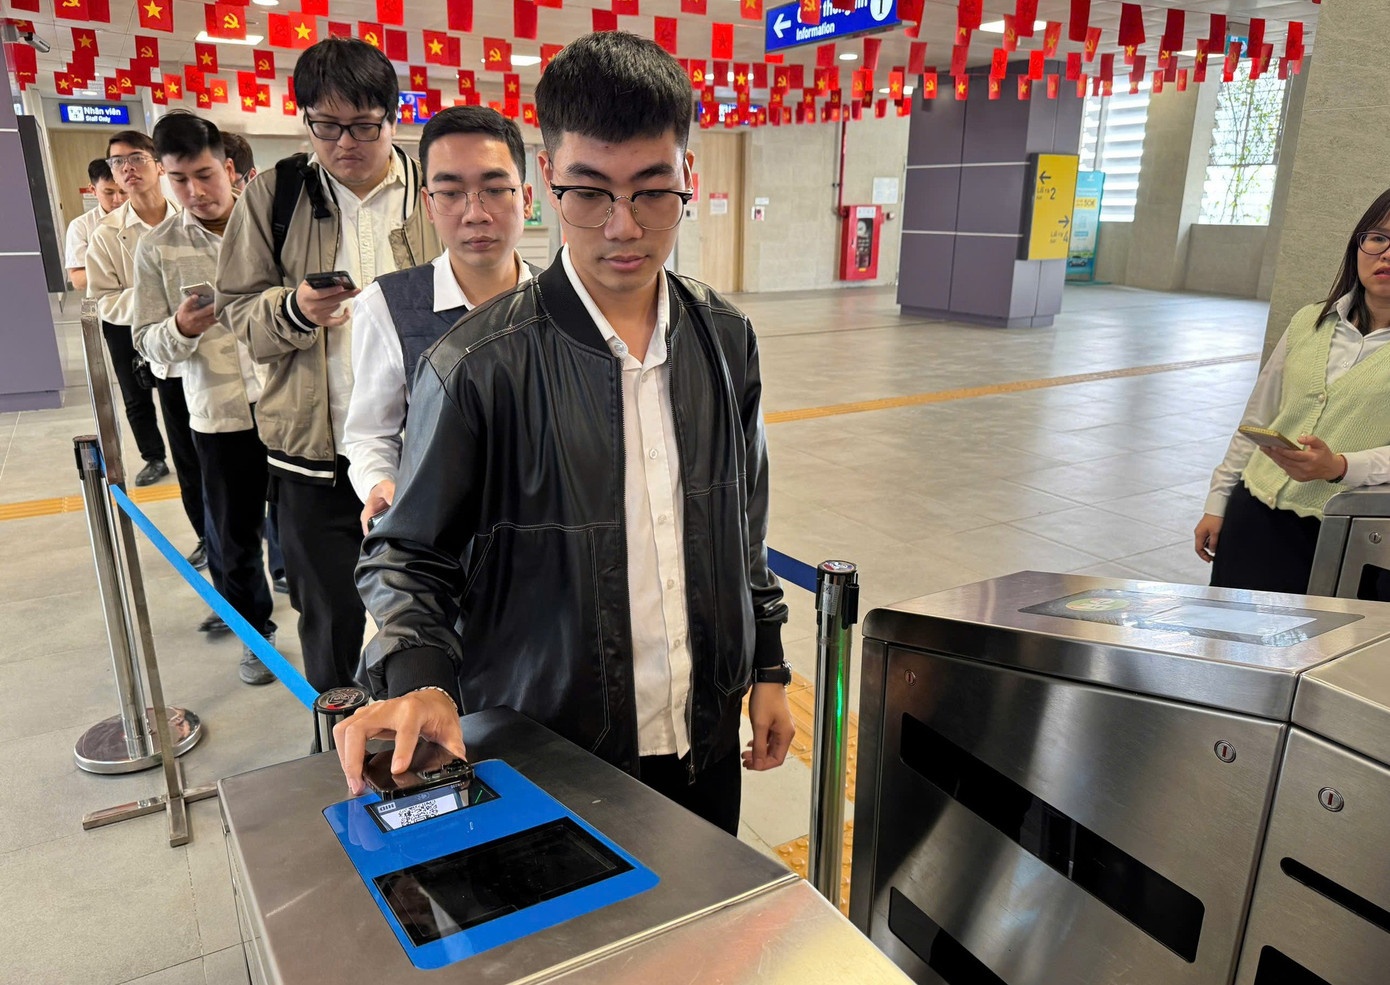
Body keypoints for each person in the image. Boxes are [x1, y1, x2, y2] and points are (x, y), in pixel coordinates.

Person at [337, 32, 794, 835]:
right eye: (591, 192)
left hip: (706, 739)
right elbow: (407, 554)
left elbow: (743, 524)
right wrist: (422, 677)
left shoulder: (726, 337)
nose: (623, 226)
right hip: (550, 748)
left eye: (653, 190)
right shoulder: (476, 363)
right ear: (549, 182)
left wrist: (769, 668)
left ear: (689, 175)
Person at [216, 38, 441, 693]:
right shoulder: (274, 195)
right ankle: (336, 744)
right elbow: (237, 313)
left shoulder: (431, 191)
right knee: (332, 617)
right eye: (327, 125)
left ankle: (434, 735)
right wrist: (295, 310)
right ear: (305, 120)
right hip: (312, 455)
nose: (347, 142)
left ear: (393, 118)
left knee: (433, 611)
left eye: (365, 125)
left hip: (423, 452)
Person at [131, 114, 277, 684]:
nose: (194, 192)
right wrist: (182, 329)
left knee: (312, 532)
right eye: (179, 179)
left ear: (230, 168)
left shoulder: (271, 227)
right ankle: (255, 636)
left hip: (290, 408)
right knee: (233, 538)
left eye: (205, 174)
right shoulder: (156, 249)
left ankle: (329, 634)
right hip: (219, 417)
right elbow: (146, 342)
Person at [344, 105, 537, 534]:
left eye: (494, 189)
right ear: (429, 206)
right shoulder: (388, 305)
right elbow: (371, 433)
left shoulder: (563, 301)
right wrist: (382, 484)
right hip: (442, 541)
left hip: (550, 538)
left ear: (525, 197)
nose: (475, 213)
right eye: (450, 193)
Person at [1196, 188, 1390, 597]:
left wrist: (1340, 466)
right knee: (1232, 639)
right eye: (1378, 238)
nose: (1386, 254)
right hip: (1255, 513)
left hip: (1349, 534)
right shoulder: (1309, 321)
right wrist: (1218, 502)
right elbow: (1258, 419)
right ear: (1358, 243)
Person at [88, 133, 209, 571]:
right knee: (188, 454)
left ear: (158, 165)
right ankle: (205, 537)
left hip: (214, 350)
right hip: (163, 353)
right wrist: (156, 303)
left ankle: (262, 548)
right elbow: (104, 298)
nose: (127, 168)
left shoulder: (194, 211)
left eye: (137, 158)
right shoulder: (107, 234)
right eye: (117, 162)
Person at [65, 158, 126, 292]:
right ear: (93, 189)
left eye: (123, 191)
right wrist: (121, 272)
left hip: (132, 296)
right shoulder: (80, 226)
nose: (118, 199)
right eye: (109, 192)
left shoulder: (141, 218)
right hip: (92, 298)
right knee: (88, 313)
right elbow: (77, 281)